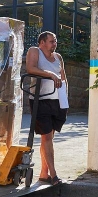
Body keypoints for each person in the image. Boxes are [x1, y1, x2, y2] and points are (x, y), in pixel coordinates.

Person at [25, 31, 68, 185]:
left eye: (55, 41)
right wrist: (49, 74)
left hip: (56, 101)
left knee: (49, 137)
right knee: (47, 137)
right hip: (40, 100)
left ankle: (44, 173)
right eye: (51, 41)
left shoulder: (58, 57)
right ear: (42, 42)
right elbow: (30, 68)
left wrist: (65, 99)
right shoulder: (34, 51)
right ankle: (54, 174)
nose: (54, 44)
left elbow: (63, 77)